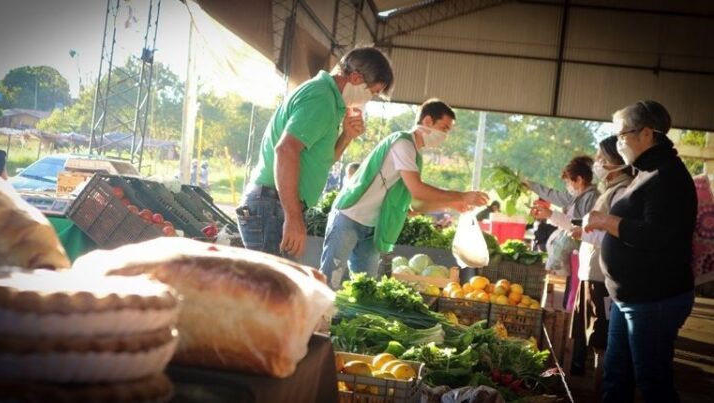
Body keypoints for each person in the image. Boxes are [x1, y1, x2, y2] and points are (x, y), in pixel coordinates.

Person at [584, 100, 696, 403]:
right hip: (630, 298)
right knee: (616, 376)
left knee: (652, 382)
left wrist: (606, 221)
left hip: (654, 300)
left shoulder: (667, 176)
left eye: (622, 135)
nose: (618, 143)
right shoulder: (647, 172)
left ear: (646, 134)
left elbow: (655, 235)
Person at [237, 46, 394, 258]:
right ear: (356, 78)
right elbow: (285, 150)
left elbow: (320, 162)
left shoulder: (328, 100)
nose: (369, 99)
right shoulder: (321, 100)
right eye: (372, 92)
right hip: (272, 206)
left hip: (274, 205)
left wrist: (346, 135)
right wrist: (293, 217)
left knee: (279, 286)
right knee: (272, 289)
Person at [319, 99, 489, 289]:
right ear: (427, 122)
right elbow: (418, 189)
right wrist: (462, 196)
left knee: (364, 289)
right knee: (328, 282)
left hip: (373, 227)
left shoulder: (414, 155)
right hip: (349, 216)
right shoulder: (402, 143)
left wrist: (451, 204)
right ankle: (318, 319)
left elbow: (415, 205)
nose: (445, 135)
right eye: (444, 128)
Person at [534, 136, 634, 384]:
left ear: (616, 161)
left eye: (602, 158)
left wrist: (583, 229)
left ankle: (601, 387)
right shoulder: (610, 191)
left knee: (602, 342)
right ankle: (598, 383)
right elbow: (591, 228)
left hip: (602, 277)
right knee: (594, 339)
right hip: (591, 273)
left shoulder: (621, 192)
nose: (598, 163)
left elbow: (615, 234)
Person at [526, 154, 599, 376]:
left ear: (578, 180)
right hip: (578, 263)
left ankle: (576, 362)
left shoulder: (590, 198)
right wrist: (532, 186)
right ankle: (573, 359)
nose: (566, 187)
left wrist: (551, 215)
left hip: (584, 264)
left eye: (568, 181)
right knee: (573, 311)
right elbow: (555, 197)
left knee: (578, 314)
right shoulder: (579, 197)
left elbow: (580, 228)